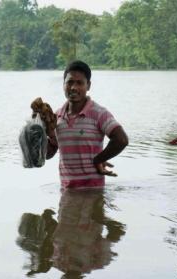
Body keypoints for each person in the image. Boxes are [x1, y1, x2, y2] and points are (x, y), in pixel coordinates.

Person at [46, 60, 128, 189]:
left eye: (80, 83)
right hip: (68, 192)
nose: (74, 87)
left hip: (93, 192)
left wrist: (98, 159)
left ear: (88, 86)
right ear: (63, 84)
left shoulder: (99, 113)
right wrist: (40, 135)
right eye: (70, 82)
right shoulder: (56, 117)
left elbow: (121, 139)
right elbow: (48, 154)